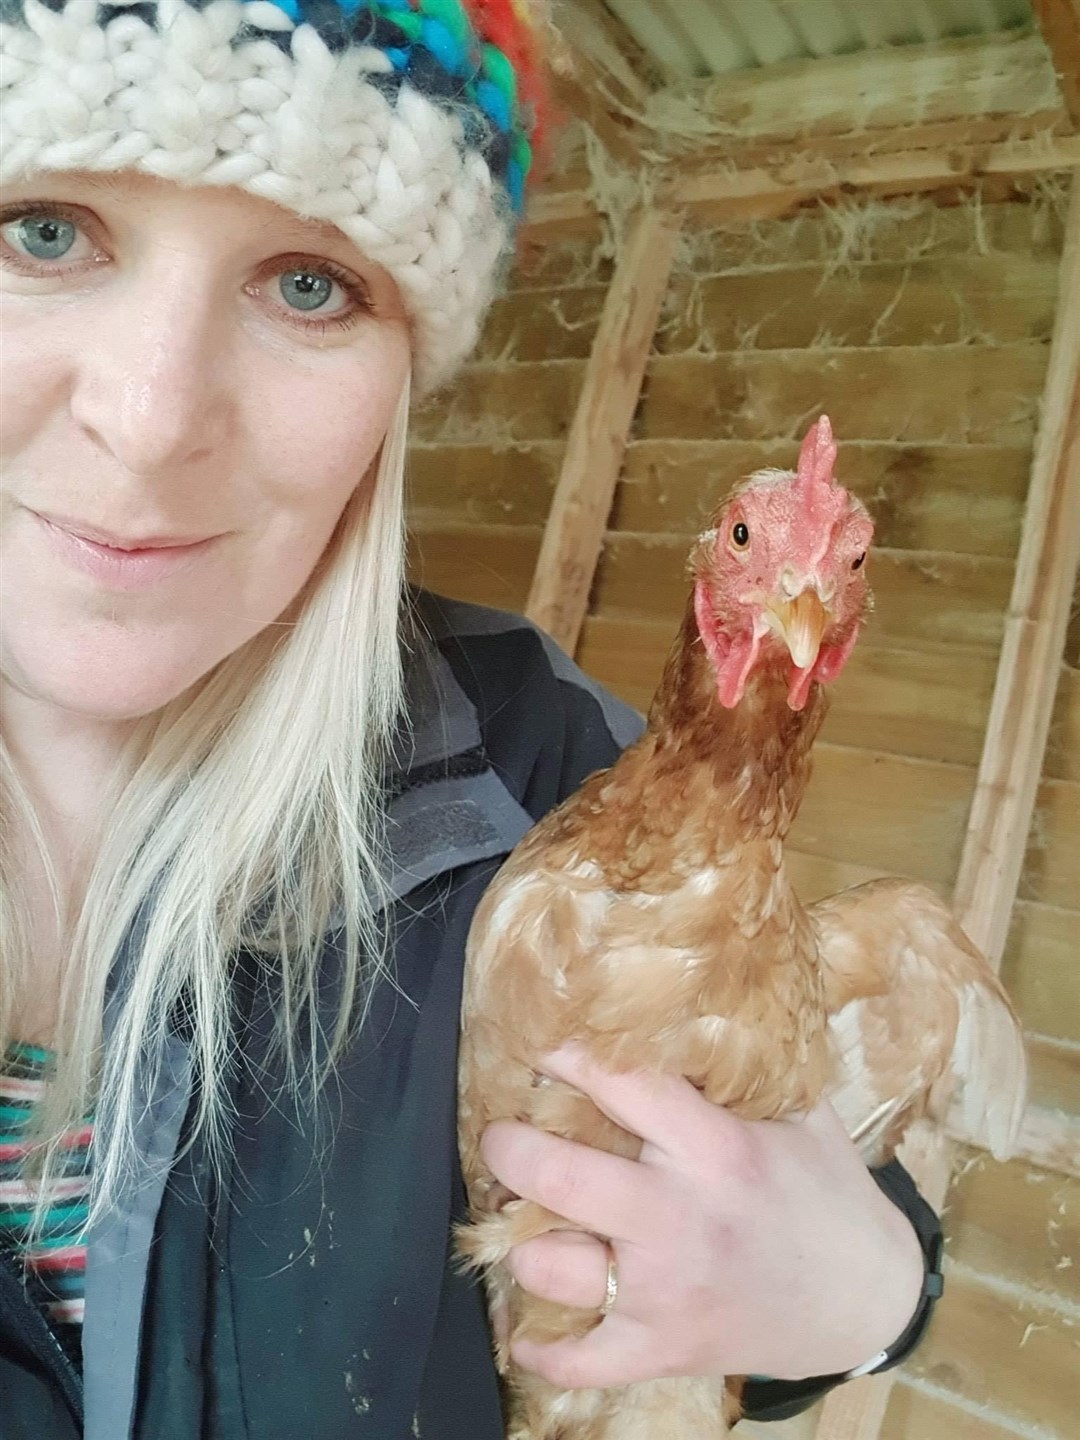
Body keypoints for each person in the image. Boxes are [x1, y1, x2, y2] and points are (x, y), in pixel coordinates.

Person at [0, 1, 944, 1436]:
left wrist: (872, 1294)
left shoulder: (536, 768)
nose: (150, 415)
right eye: (45, 231)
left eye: (310, 284)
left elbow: (790, 1183)